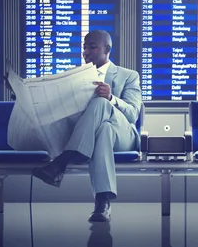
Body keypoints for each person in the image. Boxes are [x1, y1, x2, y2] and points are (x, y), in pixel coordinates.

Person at [11, 30, 142, 222]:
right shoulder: (74, 77)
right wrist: (24, 98)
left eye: (92, 47)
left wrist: (111, 98)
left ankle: (62, 161)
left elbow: (132, 114)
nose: (86, 52)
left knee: (101, 103)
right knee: (103, 130)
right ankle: (102, 203)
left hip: (123, 136)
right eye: (84, 47)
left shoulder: (129, 76)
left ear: (107, 49)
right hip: (98, 136)